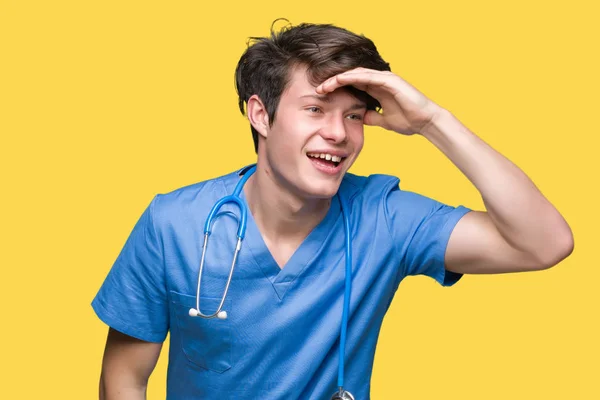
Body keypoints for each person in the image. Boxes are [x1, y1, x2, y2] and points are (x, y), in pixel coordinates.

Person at [92, 22, 574, 400]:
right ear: (261, 114)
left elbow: (545, 243)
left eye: (354, 115)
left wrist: (432, 121)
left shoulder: (385, 219)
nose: (340, 134)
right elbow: (124, 381)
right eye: (317, 109)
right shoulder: (173, 223)